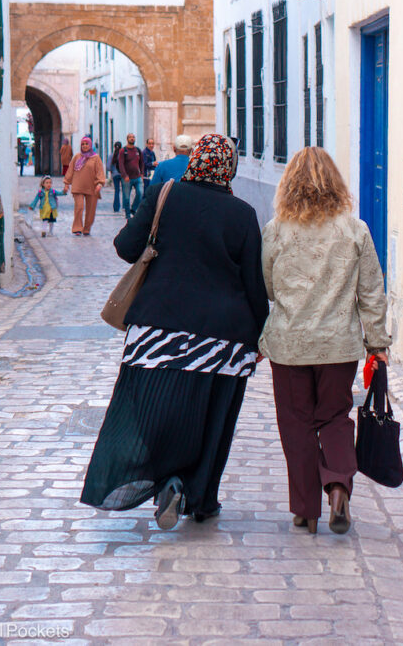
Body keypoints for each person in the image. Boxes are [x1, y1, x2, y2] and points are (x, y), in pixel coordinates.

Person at [80, 134, 269, 530]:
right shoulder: (242, 213)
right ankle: (195, 493)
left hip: (158, 331)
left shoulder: (166, 196)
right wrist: (259, 337)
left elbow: (125, 246)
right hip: (224, 338)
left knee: (156, 412)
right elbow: (254, 282)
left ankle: (166, 478)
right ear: (229, 168)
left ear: (194, 160)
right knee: (214, 420)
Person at [259, 147, 391, 535]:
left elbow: (267, 285)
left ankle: (305, 510)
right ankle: (337, 487)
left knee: (295, 423)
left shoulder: (276, 229)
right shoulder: (355, 229)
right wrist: (378, 344)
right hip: (338, 346)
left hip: (289, 344)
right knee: (335, 417)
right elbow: (372, 292)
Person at [63, 137, 106, 236]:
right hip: (78, 186)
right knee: (79, 207)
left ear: (90, 145)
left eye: (87, 144)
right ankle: (77, 228)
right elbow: (70, 171)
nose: (85, 146)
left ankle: (87, 228)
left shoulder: (96, 158)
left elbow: (100, 172)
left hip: (92, 187)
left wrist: (100, 183)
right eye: (83, 144)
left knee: (91, 210)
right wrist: (66, 183)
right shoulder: (77, 157)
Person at [119, 132, 145, 217]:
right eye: (130, 137)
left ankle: (133, 209)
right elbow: (121, 164)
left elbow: (141, 162)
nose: (132, 139)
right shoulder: (123, 151)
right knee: (126, 197)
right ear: (127, 139)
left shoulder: (138, 150)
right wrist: (124, 175)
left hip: (137, 177)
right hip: (127, 178)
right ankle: (127, 214)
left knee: (140, 193)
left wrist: (142, 173)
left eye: (133, 137)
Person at [109, 141, 125, 214]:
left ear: (114, 147)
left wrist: (112, 171)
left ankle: (116, 207)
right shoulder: (123, 155)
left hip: (115, 175)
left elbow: (108, 167)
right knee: (125, 191)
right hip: (122, 175)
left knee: (117, 191)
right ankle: (125, 206)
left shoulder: (111, 156)